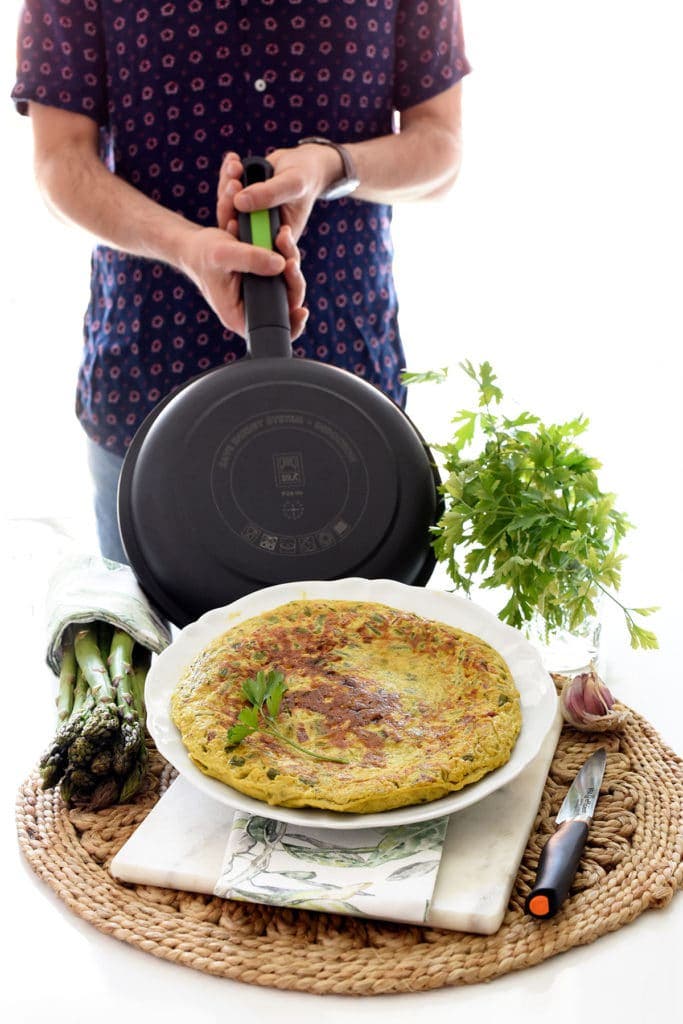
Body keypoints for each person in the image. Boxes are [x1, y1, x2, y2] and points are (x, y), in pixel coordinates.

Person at [12, 1, 470, 563]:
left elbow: (440, 149)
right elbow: (60, 163)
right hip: (146, 387)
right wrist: (186, 246)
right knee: (145, 648)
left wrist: (332, 166)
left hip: (349, 386)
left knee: (346, 644)